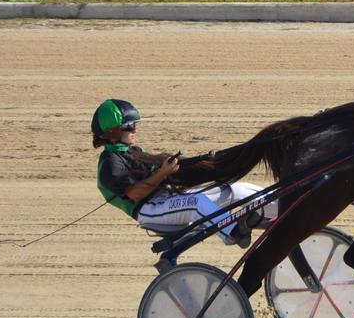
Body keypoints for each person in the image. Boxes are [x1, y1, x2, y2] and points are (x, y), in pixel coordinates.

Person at [92, 99, 277, 247]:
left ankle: (282, 209)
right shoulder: (110, 162)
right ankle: (235, 233)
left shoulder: (132, 151)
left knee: (235, 190)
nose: (134, 129)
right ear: (112, 131)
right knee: (196, 203)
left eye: (133, 125)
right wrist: (163, 173)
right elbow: (135, 193)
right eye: (129, 126)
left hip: (168, 199)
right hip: (149, 210)